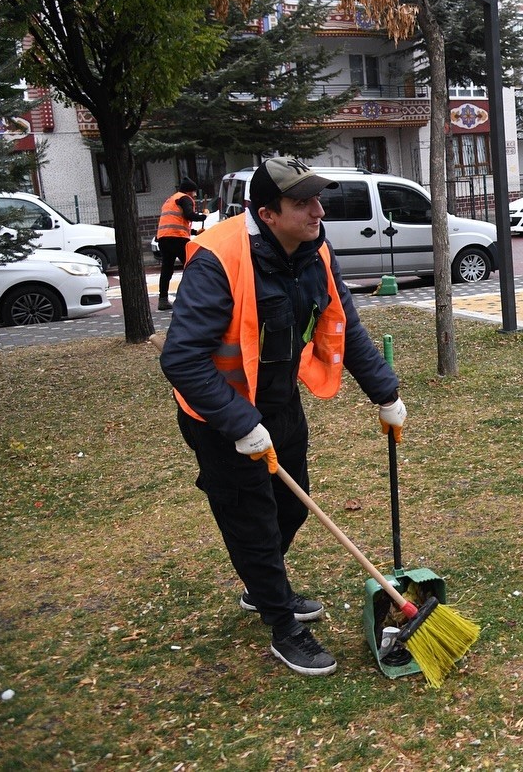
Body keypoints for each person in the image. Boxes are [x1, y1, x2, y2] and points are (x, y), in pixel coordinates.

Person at [160, 156, 407, 677]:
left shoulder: (314, 249)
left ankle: (261, 582)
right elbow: (181, 358)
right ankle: (281, 622)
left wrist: (384, 393)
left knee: (291, 508)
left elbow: (344, 323)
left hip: (277, 400)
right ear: (267, 213)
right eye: (303, 203)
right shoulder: (218, 258)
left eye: (318, 199)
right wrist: (238, 422)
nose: (319, 211)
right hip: (218, 414)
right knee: (252, 518)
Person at [156, 177, 209, 311]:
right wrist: (204, 216)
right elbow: (189, 215)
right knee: (192, 266)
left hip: (163, 239)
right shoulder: (185, 198)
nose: (195, 195)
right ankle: (196, 297)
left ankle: (162, 300)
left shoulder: (171, 200)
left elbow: (176, 222)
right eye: (194, 192)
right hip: (177, 239)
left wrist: (195, 232)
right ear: (189, 191)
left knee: (167, 270)